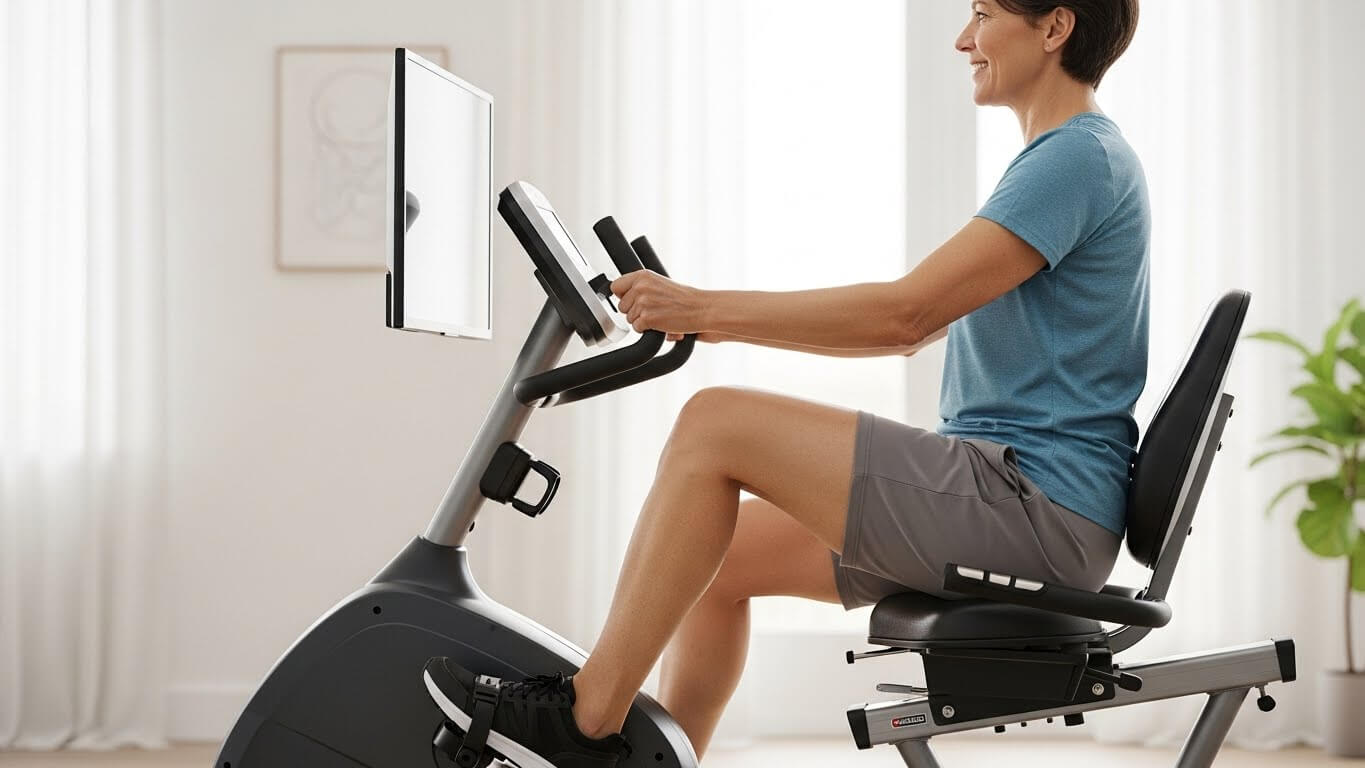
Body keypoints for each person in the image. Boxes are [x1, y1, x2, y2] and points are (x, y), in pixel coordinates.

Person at [424, 1, 1147, 765]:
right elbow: (919, 323)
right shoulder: (1063, 159)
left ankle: (582, 725)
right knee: (712, 559)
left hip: (1033, 510)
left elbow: (903, 317)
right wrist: (706, 312)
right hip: (1019, 502)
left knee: (714, 423)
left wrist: (703, 309)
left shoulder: (1075, 160)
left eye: (982, 13)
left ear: (1054, 26)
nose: (963, 38)